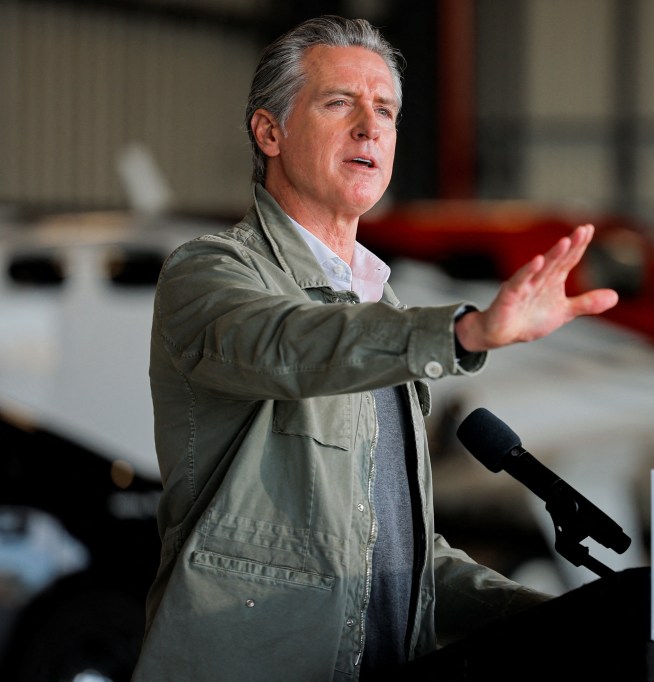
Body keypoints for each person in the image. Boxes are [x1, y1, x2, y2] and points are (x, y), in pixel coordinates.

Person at [130, 14, 618, 682]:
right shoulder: (209, 272)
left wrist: (557, 615)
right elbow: (287, 345)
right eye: (340, 103)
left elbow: (391, 555)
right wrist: (462, 333)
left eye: (384, 109)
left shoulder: (380, 310)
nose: (370, 126)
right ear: (268, 131)